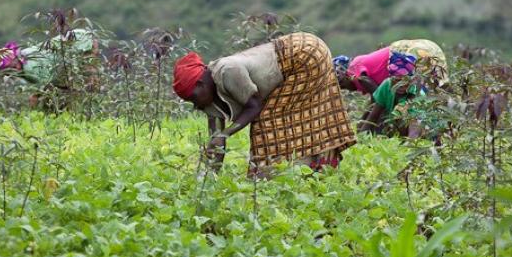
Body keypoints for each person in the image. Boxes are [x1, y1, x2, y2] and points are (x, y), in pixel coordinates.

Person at [172, 32, 355, 176]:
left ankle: (284, 175)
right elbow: (217, 140)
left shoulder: (227, 71)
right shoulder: (209, 97)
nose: (196, 106)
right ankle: (310, 169)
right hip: (305, 52)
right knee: (306, 118)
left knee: (267, 122)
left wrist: (227, 133)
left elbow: (254, 106)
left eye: (193, 99)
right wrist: (210, 174)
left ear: (201, 84)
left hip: (304, 55)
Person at [0, 29, 101, 108]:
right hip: (79, 40)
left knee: (89, 84)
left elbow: (48, 81)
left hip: (81, 42)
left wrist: (37, 96)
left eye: (10, 68)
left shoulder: (30, 67)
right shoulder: (25, 56)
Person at [334, 39, 449, 96]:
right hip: (427, 46)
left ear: (344, 72)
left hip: (406, 53)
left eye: (342, 85)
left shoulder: (354, 71)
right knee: (436, 92)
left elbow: (379, 99)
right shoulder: (359, 64)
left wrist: (364, 127)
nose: (346, 89)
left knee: (418, 97)